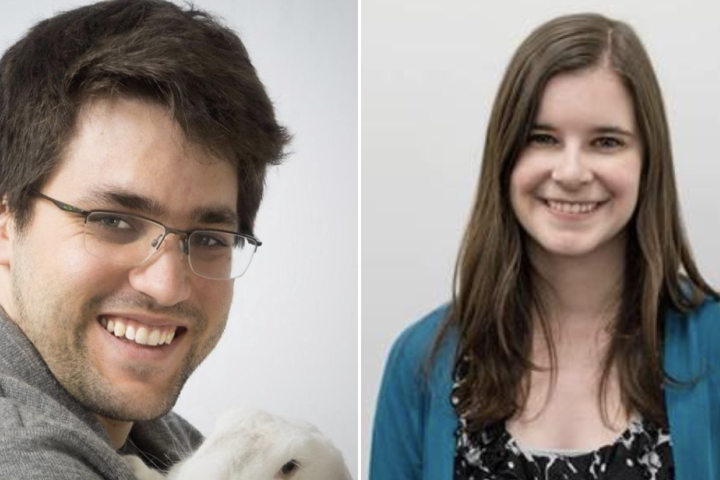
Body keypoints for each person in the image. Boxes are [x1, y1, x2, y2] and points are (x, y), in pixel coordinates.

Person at [370, 13, 719, 480]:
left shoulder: (713, 343)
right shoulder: (419, 362)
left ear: (647, 162)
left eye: (606, 141)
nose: (572, 172)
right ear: (506, 155)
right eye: (542, 138)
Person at [0, 0, 289, 478]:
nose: (167, 285)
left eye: (209, 237)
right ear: (8, 223)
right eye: (114, 221)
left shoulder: (162, 440)